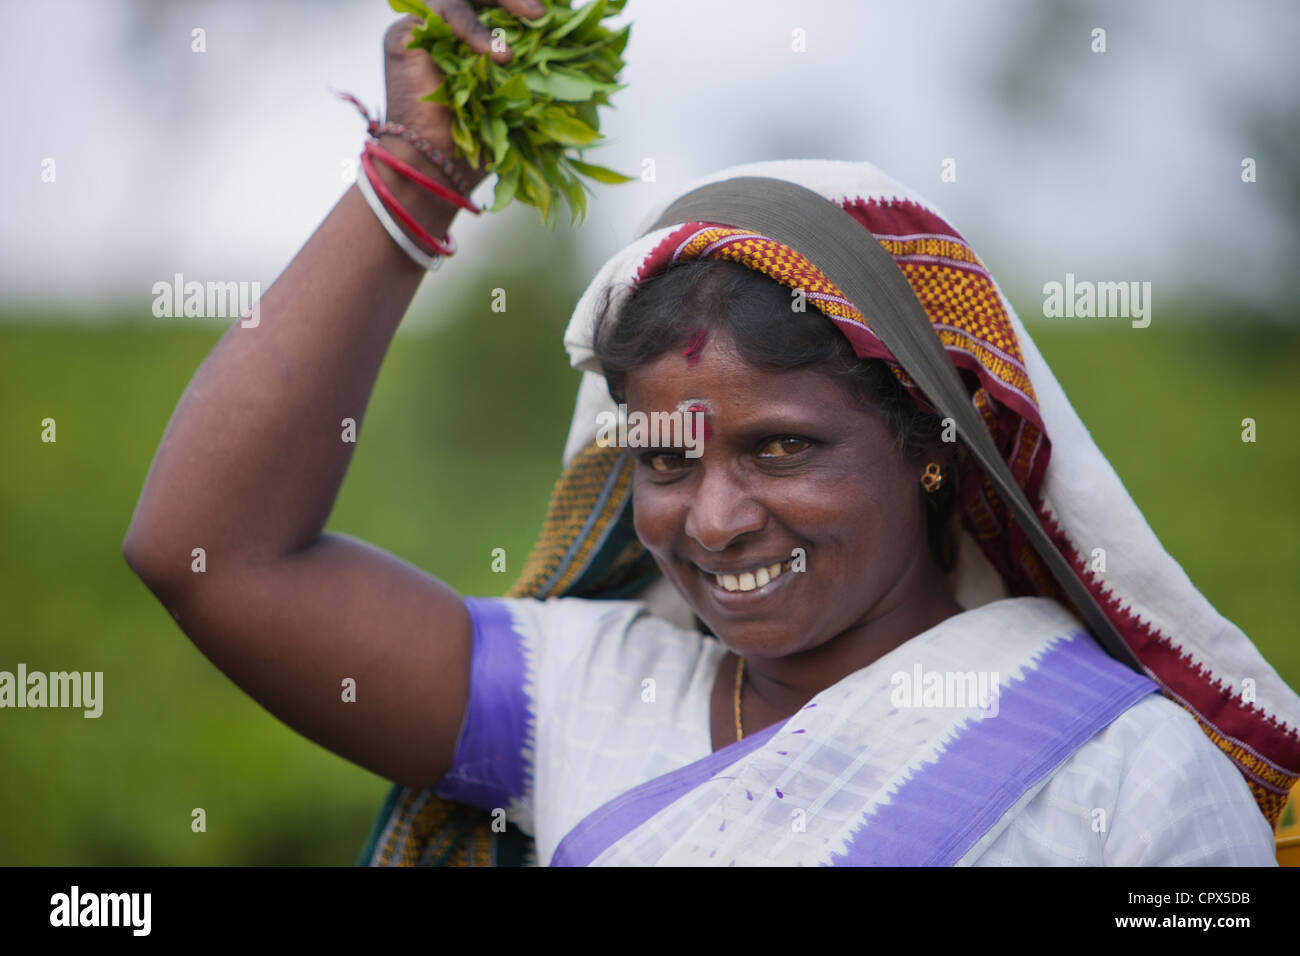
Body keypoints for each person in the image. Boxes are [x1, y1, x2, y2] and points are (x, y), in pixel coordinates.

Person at [123, 5, 1299, 867]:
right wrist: (418, 172)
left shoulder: (1124, 770)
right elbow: (209, 555)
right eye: (666, 458)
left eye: (783, 447)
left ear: (929, 445)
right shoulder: (594, 697)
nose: (718, 517)